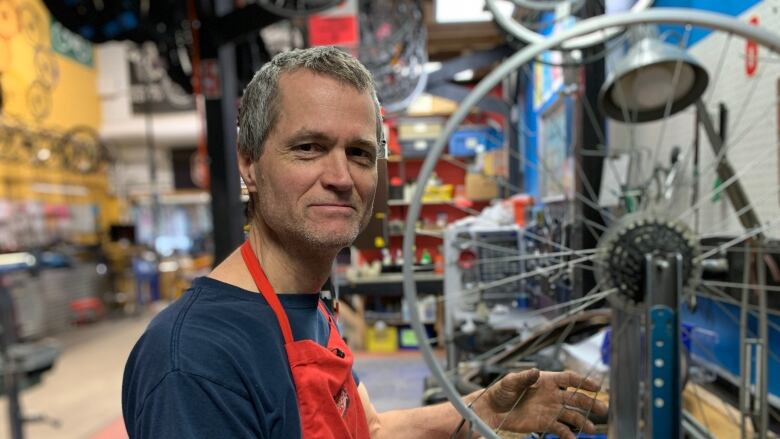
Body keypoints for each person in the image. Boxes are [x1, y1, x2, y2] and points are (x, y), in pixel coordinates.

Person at [122, 46, 607, 439]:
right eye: (308, 147)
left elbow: (365, 428)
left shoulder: (309, 305)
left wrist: (480, 411)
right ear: (249, 164)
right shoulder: (195, 362)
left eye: (358, 153)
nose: (339, 176)